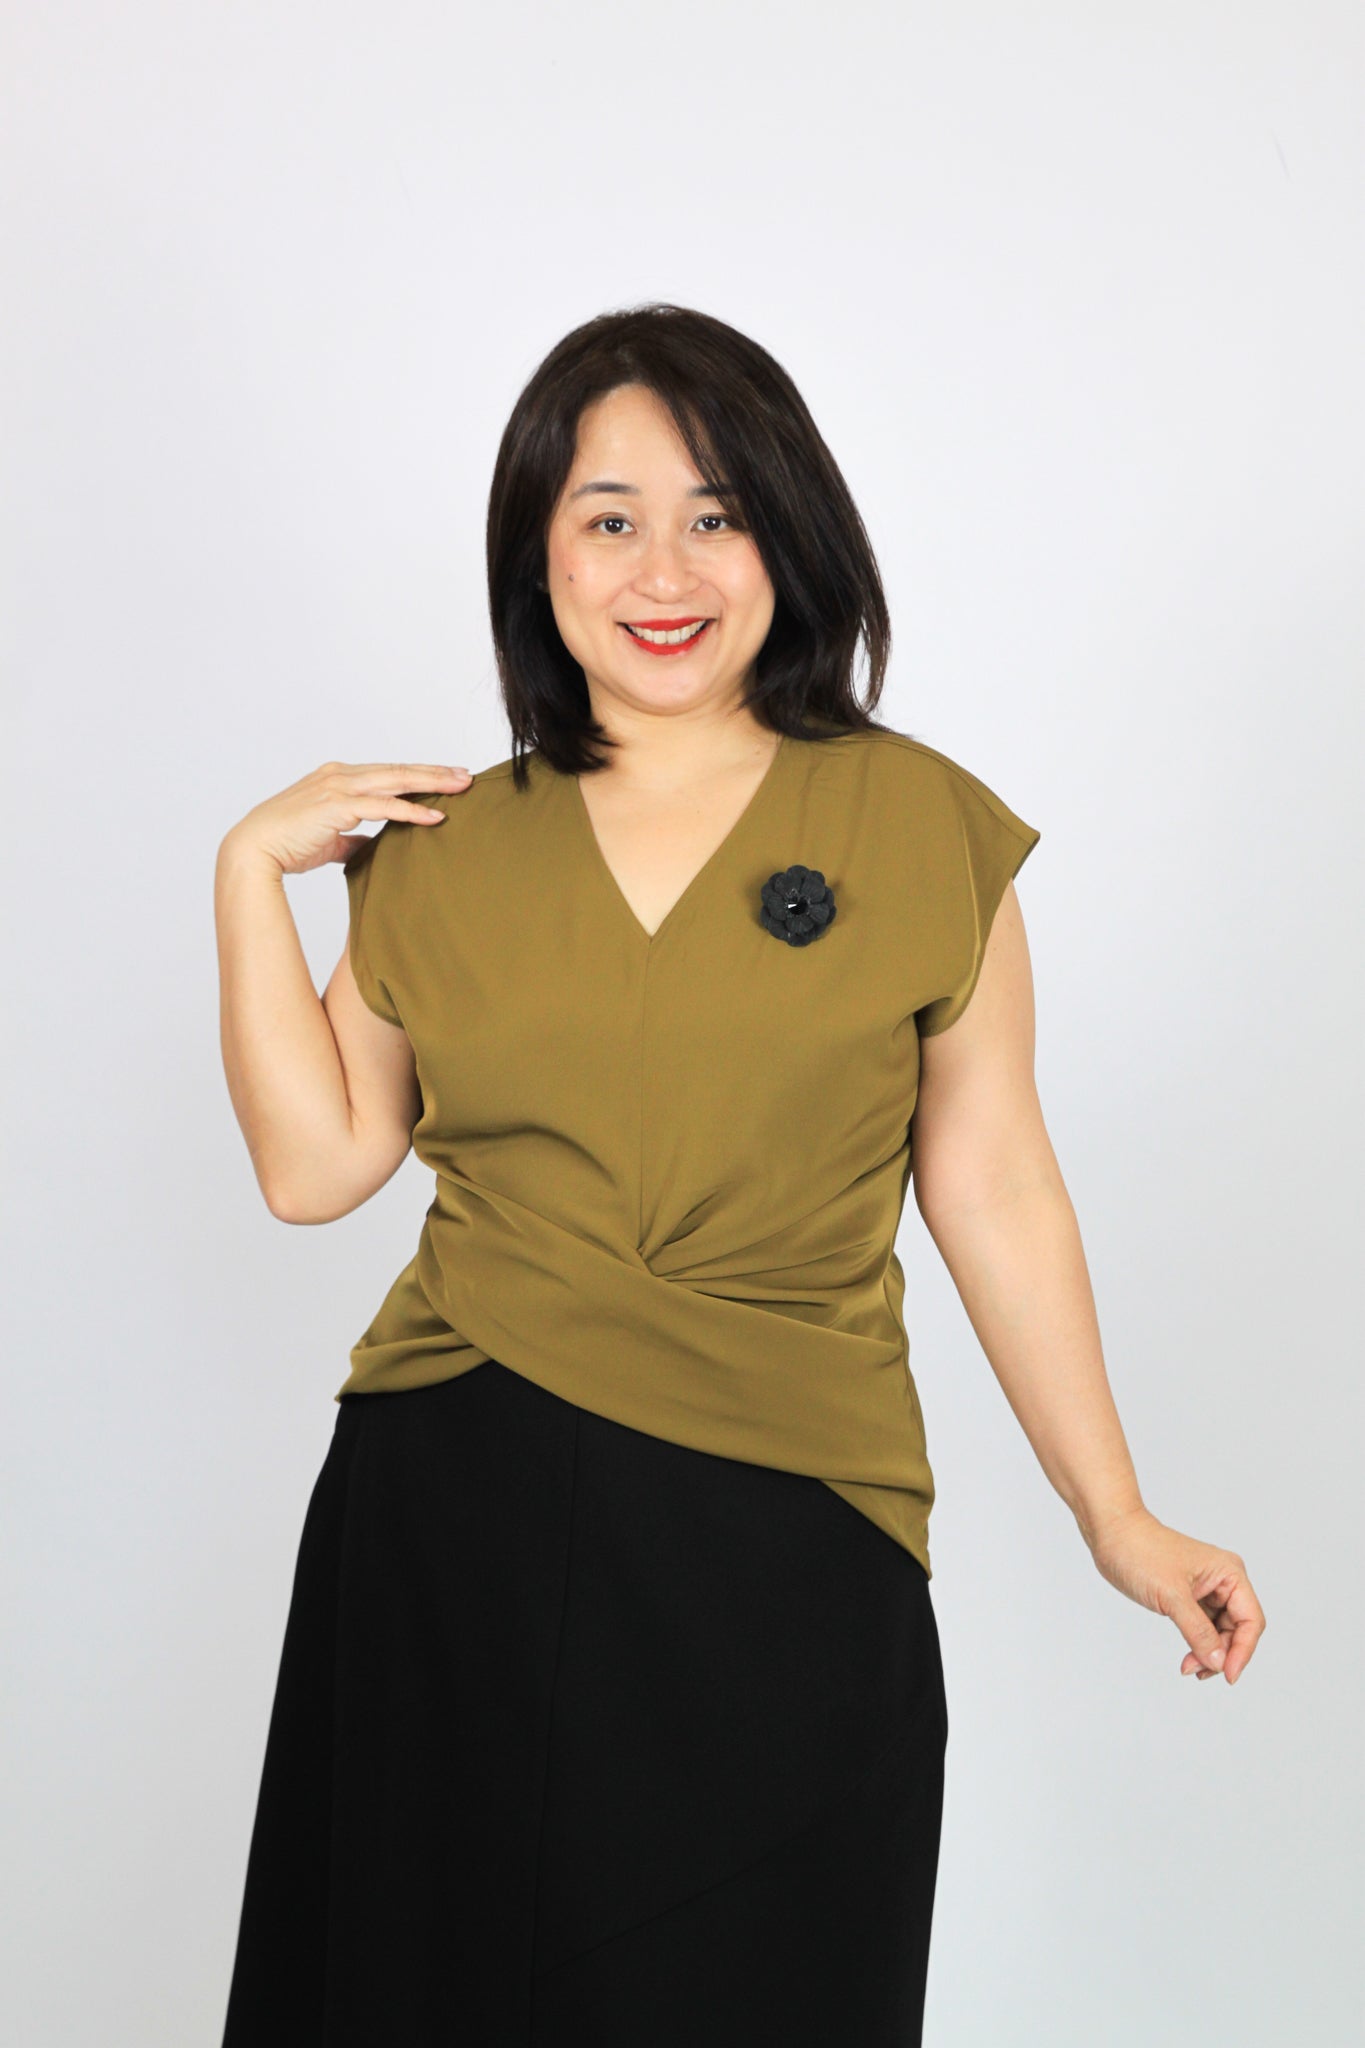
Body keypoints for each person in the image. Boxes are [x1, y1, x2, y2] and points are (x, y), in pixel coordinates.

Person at [214, 303, 1265, 2046]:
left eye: (715, 514)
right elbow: (315, 1168)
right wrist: (250, 870)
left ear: (789, 535)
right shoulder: (444, 849)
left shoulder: (922, 827)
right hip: (457, 1515)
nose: (664, 570)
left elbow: (993, 1183)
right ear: (537, 554)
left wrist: (1116, 1515)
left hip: (789, 1526)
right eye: (609, 517)